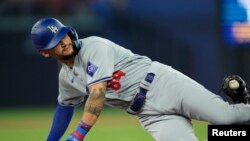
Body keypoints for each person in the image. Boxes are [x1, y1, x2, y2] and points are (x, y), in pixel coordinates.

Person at [30, 17, 250, 141]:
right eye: (56, 41)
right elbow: (65, 107)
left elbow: (97, 93)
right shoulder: (67, 78)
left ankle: (241, 105)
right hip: (148, 114)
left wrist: (79, 134)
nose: (64, 41)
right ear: (45, 52)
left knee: (226, 119)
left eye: (63, 35)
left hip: (163, 84)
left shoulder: (93, 46)